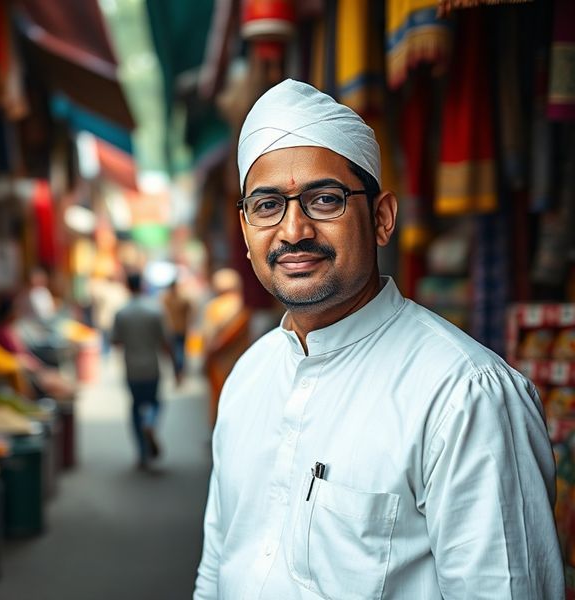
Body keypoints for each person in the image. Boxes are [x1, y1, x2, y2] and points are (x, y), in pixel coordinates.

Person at [194, 79, 563, 599]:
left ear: (383, 218)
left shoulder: (463, 397)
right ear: (247, 230)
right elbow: (217, 571)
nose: (293, 230)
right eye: (268, 205)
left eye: (324, 199)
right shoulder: (248, 377)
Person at [112, 272, 177, 471]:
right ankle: (150, 421)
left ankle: (142, 454)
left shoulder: (121, 313)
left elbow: (116, 341)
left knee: (135, 407)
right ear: (141, 285)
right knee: (154, 401)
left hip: (131, 367)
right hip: (152, 366)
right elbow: (166, 342)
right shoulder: (154, 311)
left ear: (127, 286)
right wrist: (176, 367)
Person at [200, 268, 250, 427]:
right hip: (243, 361)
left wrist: (206, 358)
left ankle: (219, 431)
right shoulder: (243, 306)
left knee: (219, 399)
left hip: (218, 364)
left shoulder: (214, 307)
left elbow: (205, 338)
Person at [160, 274, 193, 380]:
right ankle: (179, 371)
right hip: (180, 328)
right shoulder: (182, 298)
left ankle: (177, 371)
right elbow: (191, 310)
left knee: (175, 352)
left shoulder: (165, 299)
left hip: (171, 329)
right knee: (180, 351)